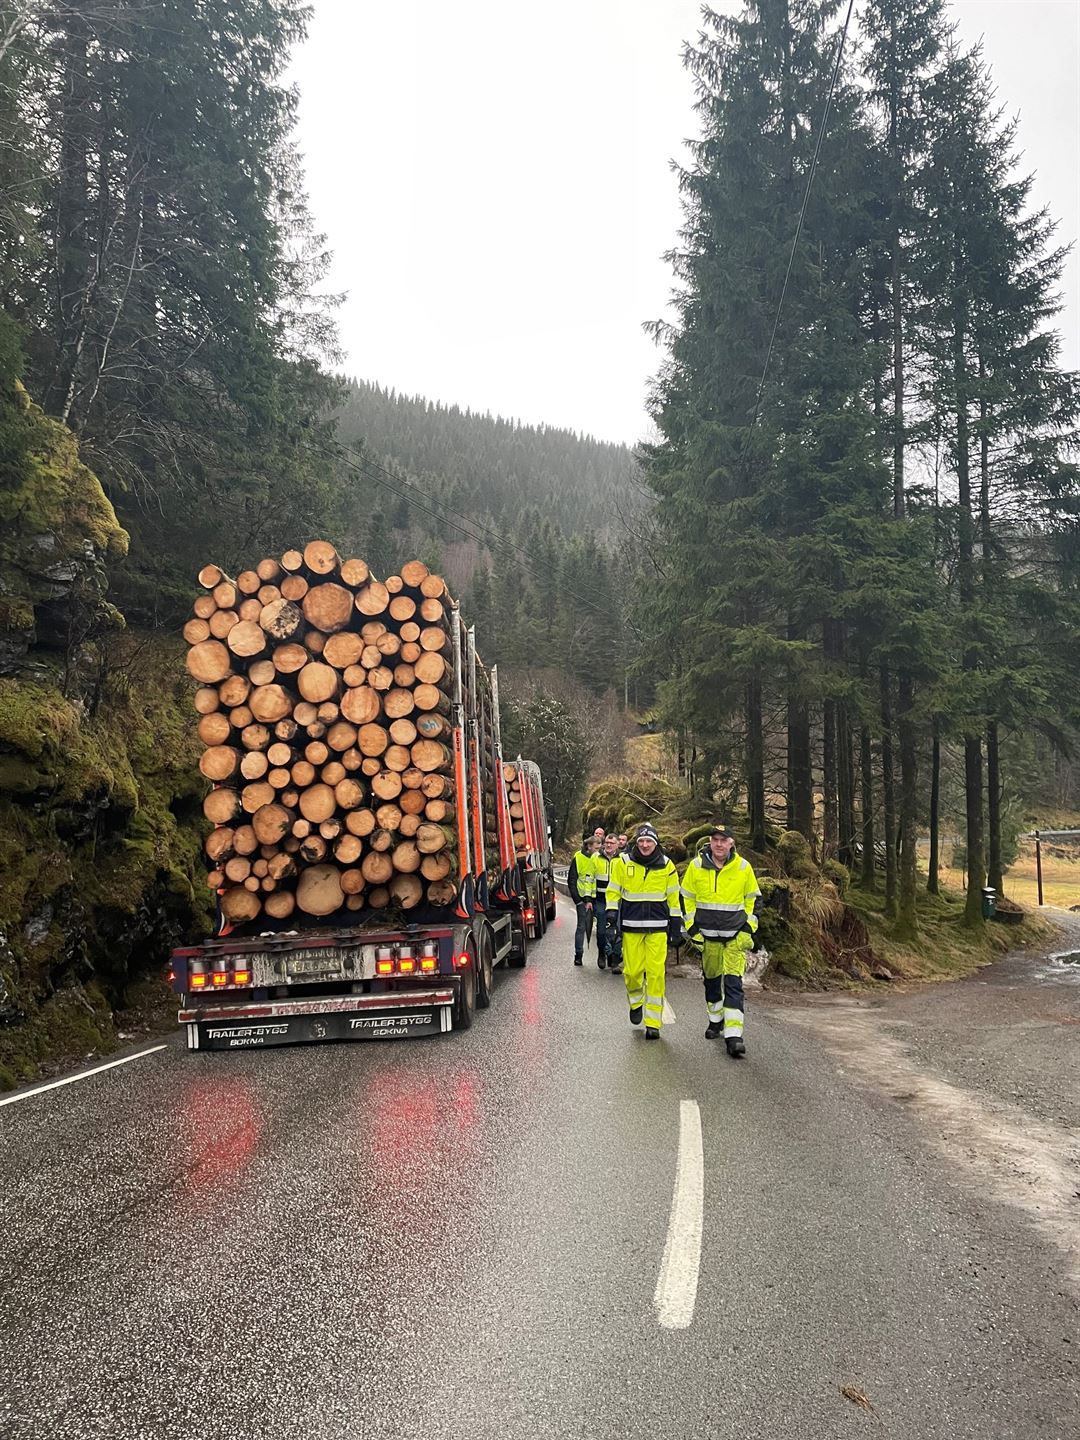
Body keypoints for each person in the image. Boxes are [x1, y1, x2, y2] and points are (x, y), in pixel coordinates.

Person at [680, 825, 760, 1058]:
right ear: (710, 842)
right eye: (715, 839)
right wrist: (693, 930)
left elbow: (753, 901)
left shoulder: (743, 868)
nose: (719, 844)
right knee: (712, 981)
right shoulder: (696, 867)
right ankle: (715, 1021)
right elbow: (686, 899)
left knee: (734, 984)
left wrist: (747, 930)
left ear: (732, 843)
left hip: (734, 937)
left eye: (724, 840)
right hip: (707, 938)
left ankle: (734, 1036)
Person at [606, 824, 681, 1040]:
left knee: (656, 974)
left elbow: (674, 898)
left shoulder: (667, 866)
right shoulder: (623, 863)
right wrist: (611, 912)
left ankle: (653, 1023)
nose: (645, 845)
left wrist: (676, 925)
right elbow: (613, 889)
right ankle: (636, 1003)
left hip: (658, 928)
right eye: (641, 841)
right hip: (631, 927)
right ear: (636, 843)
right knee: (632, 973)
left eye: (649, 841)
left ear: (656, 844)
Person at [567, 833, 598, 966]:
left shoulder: (601, 859)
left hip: (599, 898)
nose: (599, 849)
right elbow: (572, 880)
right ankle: (578, 955)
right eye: (597, 847)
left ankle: (608, 955)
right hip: (582, 899)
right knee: (581, 927)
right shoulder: (578, 858)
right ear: (589, 847)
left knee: (603, 929)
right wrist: (578, 900)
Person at [591, 833, 620, 971]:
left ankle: (614, 959)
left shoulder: (622, 860)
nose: (608, 845)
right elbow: (589, 878)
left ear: (617, 845)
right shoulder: (596, 858)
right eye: (607, 842)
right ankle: (602, 952)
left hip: (617, 900)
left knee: (617, 931)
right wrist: (588, 899)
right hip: (600, 899)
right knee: (602, 931)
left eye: (612, 843)